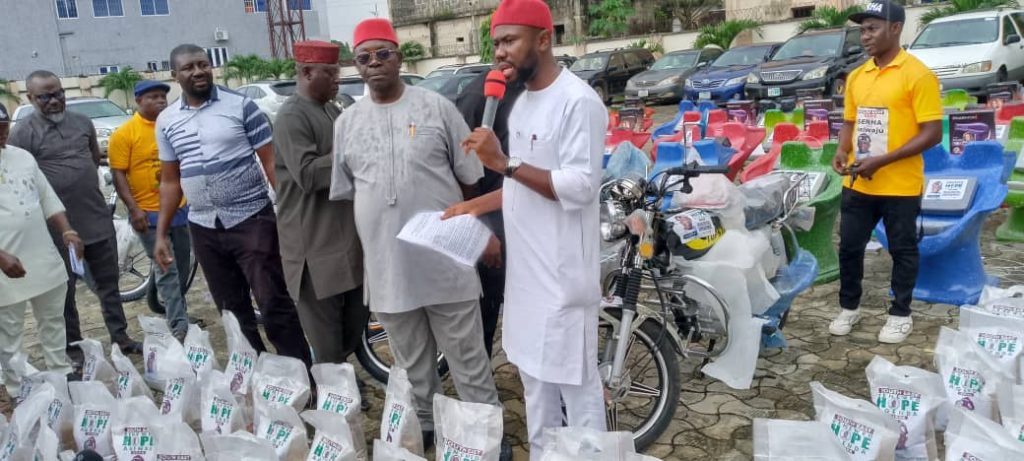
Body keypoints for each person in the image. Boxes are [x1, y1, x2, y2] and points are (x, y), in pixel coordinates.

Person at [329, 19, 505, 454]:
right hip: (388, 266)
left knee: (468, 359)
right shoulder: (347, 123)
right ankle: (425, 424)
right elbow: (351, 194)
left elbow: (470, 180)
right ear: (356, 65)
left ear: (399, 56)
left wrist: (479, 234)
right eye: (364, 57)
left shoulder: (437, 108)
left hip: (445, 260)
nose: (374, 63)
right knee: (411, 363)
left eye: (383, 54)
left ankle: (488, 434)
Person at [459, 0, 609, 456]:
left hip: (562, 283)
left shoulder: (578, 101)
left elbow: (580, 187)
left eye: (509, 41)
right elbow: (521, 186)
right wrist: (471, 207)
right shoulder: (520, 104)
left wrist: (503, 162)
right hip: (525, 282)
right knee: (535, 391)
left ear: (544, 39)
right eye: (495, 43)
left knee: (578, 395)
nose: (499, 52)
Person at [154, 44, 311, 365]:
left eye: (203, 64)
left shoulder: (241, 106)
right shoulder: (166, 120)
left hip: (252, 219)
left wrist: (288, 212)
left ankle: (299, 372)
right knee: (231, 309)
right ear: (174, 75)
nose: (198, 71)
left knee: (273, 301)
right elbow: (170, 181)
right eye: (188, 68)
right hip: (203, 226)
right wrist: (161, 234)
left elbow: (270, 162)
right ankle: (255, 373)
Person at [8, 70, 143, 362]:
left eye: (59, 93)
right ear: (30, 98)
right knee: (64, 293)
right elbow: (20, 176)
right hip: (55, 229)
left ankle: (120, 338)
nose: (54, 100)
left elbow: (93, 159)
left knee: (109, 284)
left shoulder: (82, 123)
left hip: (95, 219)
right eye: (45, 96)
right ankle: (74, 348)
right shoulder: (23, 133)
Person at [829, 0, 943, 344]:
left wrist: (883, 160)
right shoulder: (856, 76)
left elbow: (932, 133)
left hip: (900, 185)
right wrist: (841, 150)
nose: (865, 36)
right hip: (859, 182)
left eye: (872, 28)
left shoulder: (918, 75)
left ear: (895, 28)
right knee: (849, 248)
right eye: (862, 30)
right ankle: (849, 307)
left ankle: (900, 314)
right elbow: (850, 121)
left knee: (902, 250)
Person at [273, 41, 367, 368]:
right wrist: (354, 151)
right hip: (313, 251)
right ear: (306, 73)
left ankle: (339, 385)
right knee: (328, 346)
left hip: (344, 244)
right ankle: (331, 393)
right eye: (330, 73)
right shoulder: (291, 116)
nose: (337, 79)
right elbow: (309, 175)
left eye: (337, 71)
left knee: (351, 331)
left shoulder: (331, 110)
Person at [0, 101, 79, 393]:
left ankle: (60, 374)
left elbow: (47, 198)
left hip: (42, 256)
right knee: (8, 332)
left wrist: (67, 229)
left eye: (4, 127)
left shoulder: (22, 157)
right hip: (6, 264)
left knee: (53, 320)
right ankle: (16, 388)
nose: (2, 133)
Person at [107, 80, 193, 341]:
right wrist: (133, 209)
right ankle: (179, 326)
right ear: (138, 101)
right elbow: (118, 174)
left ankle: (163, 303)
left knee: (180, 267)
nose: (160, 101)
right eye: (153, 97)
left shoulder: (172, 126)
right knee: (168, 269)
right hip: (148, 214)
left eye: (163, 97)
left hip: (179, 208)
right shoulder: (125, 134)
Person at [451, 62, 526, 359]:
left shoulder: (533, 90)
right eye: (500, 43)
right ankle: (479, 380)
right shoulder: (477, 96)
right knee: (484, 311)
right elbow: (461, 170)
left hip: (527, 219)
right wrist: (480, 231)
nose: (506, 51)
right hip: (492, 223)